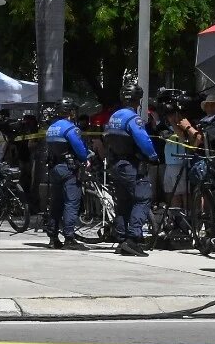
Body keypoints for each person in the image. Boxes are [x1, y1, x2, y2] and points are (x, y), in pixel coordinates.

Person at [102, 100, 158, 256]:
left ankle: (121, 240)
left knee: (124, 202)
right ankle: (133, 239)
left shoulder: (114, 117)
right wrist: (153, 156)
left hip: (116, 164)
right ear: (138, 101)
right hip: (131, 164)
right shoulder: (133, 118)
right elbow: (143, 139)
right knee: (142, 198)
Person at [41, 102, 90, 250]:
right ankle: (69, 237)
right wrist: (85, 159)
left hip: (54, 168)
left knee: (56, 203)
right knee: (71, 202)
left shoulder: (51, 128)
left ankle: (53, 237)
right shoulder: (70, 128)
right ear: (70, 112)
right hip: (69, 169)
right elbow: (80, 149)